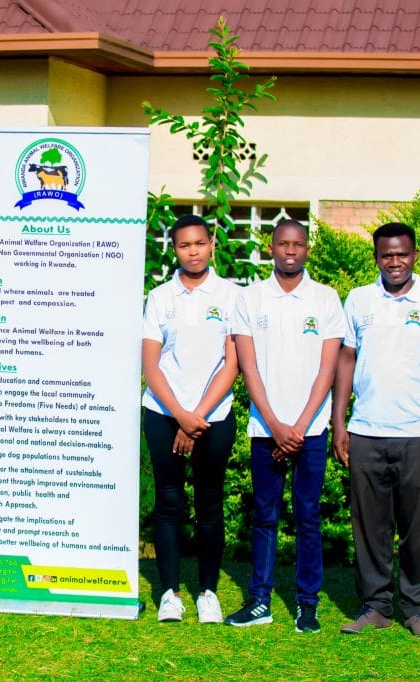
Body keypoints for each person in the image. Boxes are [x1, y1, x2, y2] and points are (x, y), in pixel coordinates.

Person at [331, 222, 420, 639]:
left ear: (415, 255)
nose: (395, 261)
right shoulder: (359, 300)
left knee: (417, 528)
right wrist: (339, 422)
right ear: (376, 258)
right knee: (369, 528)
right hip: (366, 430)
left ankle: (419, 608)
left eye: (402, 253)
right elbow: (346, 361)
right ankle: (376, 605)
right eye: (387, 255)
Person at [224, 219, 343, 633]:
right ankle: (260, 601)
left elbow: (327, 369)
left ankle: (306, 603)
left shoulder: (326, 300)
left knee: (308, 517)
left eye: (298, 245)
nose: (290, 251)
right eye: (283, 244)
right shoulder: (250, 298)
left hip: (310, 430)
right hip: (266, 430)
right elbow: (248, 367)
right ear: (271, 247)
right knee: (265, 516)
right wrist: (275, 425)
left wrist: (300, 425)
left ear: (307, 249)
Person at [141, 214, 241, 624]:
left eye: (200, 243)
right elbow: (151, 363)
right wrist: (180, 416)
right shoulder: (160, 297)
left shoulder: (233, 295)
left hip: (213, 416)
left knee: (209, 505)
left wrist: (196, 417)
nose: (193, 251)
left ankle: (208, 593)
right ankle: (169, 592)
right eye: (184, 245)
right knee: (169, 503)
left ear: (211, 245)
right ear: (175, 249)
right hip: (164, 414)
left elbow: (233, 362)